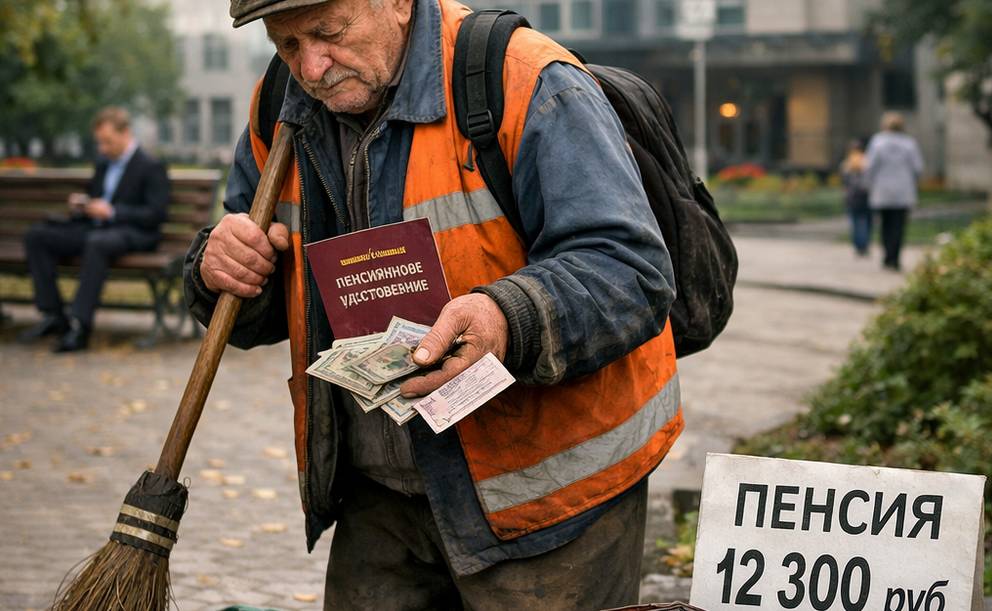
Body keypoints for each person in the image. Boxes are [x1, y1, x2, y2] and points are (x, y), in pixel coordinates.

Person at [185, 0, 682, 607]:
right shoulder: (280, 105)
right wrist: (221, 270)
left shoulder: (526, 79)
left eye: (328, 33)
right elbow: (253, 298)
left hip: (550, 502)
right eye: (287, 45)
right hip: (380, 497)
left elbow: (629, 269)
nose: (310, 68)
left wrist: (506, 320)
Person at [18, 107, 170, 352]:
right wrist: (83, 204)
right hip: (95, 228)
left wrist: (112, 211)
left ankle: (80, 326)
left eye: (107, 142)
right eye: (99, 142)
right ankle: (55, 316)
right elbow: (96, 198)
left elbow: (155, 214)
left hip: (133, 233)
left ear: (125, 133)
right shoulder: (103, 163)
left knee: (98, 243)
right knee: (37, 236)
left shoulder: (150, 165)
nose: (102, 148)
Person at [865, 111, 924, 270]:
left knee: (885, 225)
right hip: (903, 191)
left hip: (882, 191)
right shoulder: (909, 143)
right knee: (898, 226)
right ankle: (895, 258)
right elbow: (918, 168)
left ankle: (887, 256)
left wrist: (868, 184)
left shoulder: (877, 142)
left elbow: (870, 167)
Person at [841, 139, 871, 257]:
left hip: (852, 197)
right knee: (866, 222)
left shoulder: (846, 163)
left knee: (855, 222)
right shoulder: (867, 162)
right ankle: (864, 245)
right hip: (866, 196)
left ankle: (858, 245)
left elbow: (845, 183)